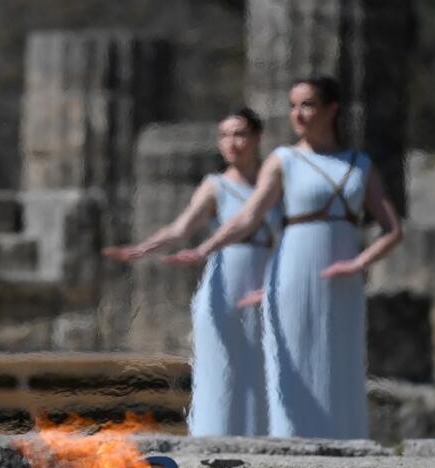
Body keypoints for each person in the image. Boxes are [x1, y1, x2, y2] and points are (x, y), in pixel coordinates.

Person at [167, 77, 403, 439]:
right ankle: (289, 447)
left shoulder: (359, 164)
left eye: (307, 105)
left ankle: (345, 448)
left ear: (331, 109)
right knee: (290, 363)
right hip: (293, 270)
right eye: (293, 106)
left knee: (341, 363)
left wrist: (358, 264)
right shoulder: (283, 160)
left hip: (341, 276)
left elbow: (392, 229)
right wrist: (205, 248)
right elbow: (248, 217)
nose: (298, 114)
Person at [104, 108, 282, 436]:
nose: (232, 143)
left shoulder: (273, 185)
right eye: (225, 136)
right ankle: (215, 441)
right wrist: (143, 248)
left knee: (265, 371)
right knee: (223, 371)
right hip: (226, 285)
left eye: (240, 134)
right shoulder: (216, 186)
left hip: (266, 286)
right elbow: (181, 227)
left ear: (257, 138)